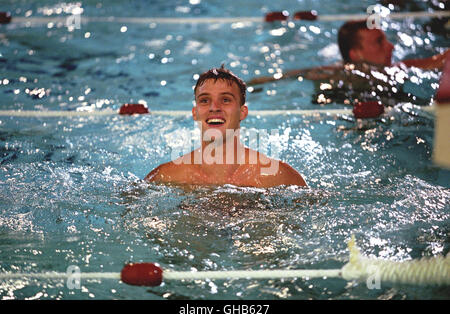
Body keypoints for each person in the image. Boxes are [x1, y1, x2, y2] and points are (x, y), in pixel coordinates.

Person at [145, 66, 307, 188]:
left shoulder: (277, 176)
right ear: (195, 113)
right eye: (204, 100)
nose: (214, 107)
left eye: (225, 100)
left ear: (242, 112)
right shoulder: (168, 175)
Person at [248, 19, 449, 86]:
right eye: (379, 42)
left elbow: (440, 60)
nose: (391, 47)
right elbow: (282, 78)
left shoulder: (399, 68)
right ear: (355, 54)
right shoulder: (334, 73)